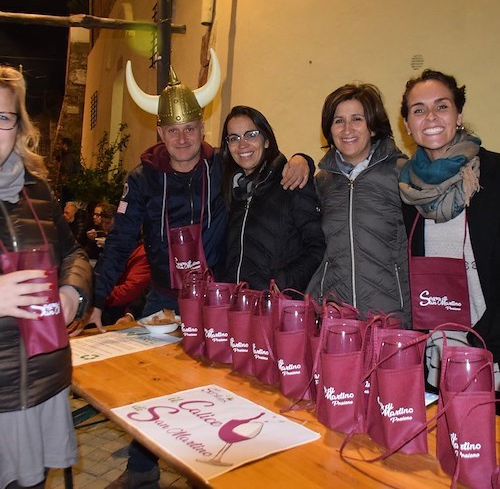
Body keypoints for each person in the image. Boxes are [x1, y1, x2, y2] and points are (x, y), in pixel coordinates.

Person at [91, 50, 309, 488]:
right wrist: (94, 300)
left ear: (202, 129)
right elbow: (117, 242)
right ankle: (140, 471)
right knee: (154, 385)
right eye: (173, 130)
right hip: (164, 299)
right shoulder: (142, 179)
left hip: (219, 301)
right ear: (160, 132)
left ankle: (208, 471)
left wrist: (301, 157)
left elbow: (264, 162)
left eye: (190, 128)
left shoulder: (221, 165)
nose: (183, 137)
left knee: (214, 390)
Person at [0, 65, 92, 488]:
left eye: (2, 118)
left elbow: (72, 250)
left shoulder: (36, 190)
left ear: (18, 127)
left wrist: (73, 289)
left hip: (43, 380)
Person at [399, 69, 500, 391]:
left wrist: (483, 338)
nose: (430, 117)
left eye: (441, 106)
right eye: (418, 110)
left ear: (459, 115)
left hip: (491, 351)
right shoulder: (405, 188)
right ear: (407, 125)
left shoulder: (495, 174)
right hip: (433, 354)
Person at [307, 83, 411, 326]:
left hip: (390, 315)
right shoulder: (321, 182)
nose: (347, 129)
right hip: (334, 315)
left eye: (357, 119)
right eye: (338, 121)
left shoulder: (402, 173)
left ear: (373, 126)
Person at [219, 105, 325, 291]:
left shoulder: (291, 181)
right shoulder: (232, 187)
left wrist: (283, 282)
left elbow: (317, 247)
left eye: (251, 134)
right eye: (234, 138)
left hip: (276, 308)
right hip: (236, 305)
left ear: (266, 139)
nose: (242, 144)